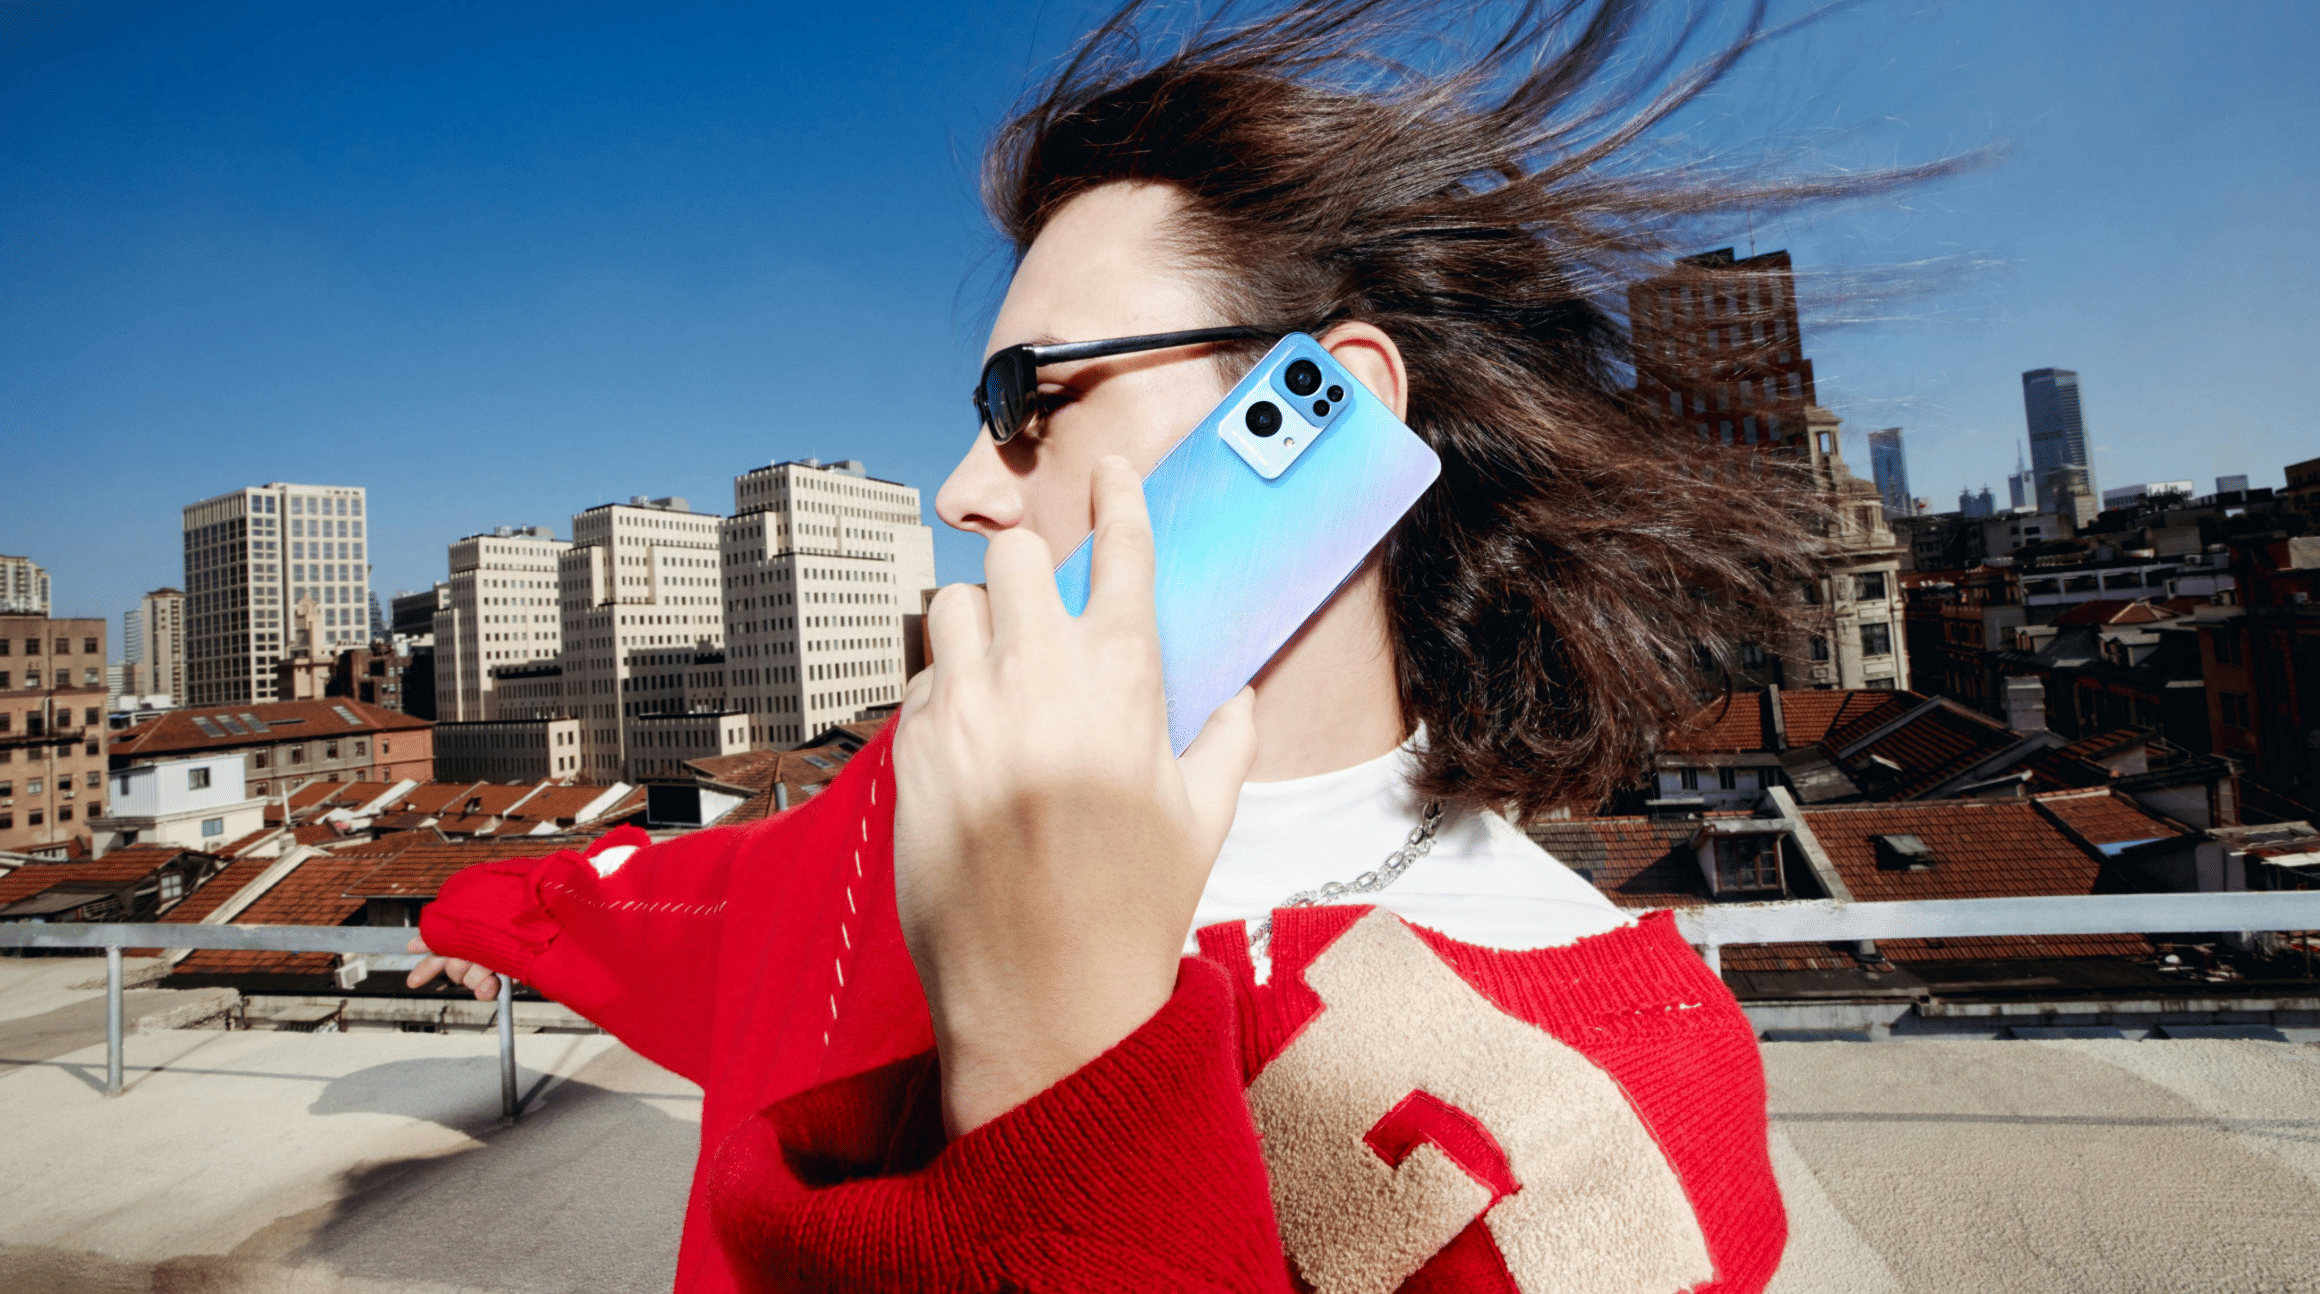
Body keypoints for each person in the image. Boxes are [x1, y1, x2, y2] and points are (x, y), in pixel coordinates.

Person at [410, 2, 1906, 1289]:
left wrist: (1056, 1060)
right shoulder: (897, 811)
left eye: (1026, 396)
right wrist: (465, 904)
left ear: (1332, 412)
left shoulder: (1617, 1077)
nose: (961, 485)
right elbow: (656, 905)